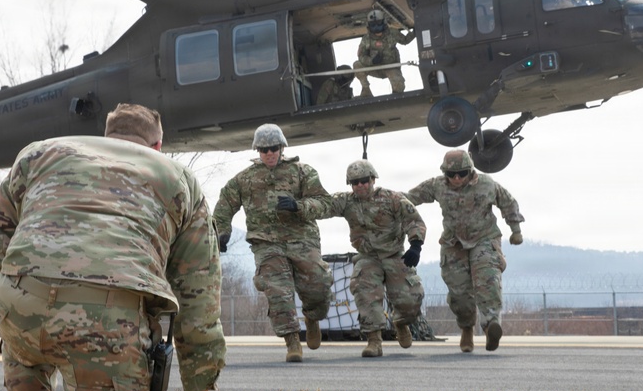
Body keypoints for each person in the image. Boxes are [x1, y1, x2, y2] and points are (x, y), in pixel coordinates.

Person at [0, 103, 226, 391]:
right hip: (106, 323)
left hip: (19, 305)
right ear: (157, 145)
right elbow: (198, 303)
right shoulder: (180, 181)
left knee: (23, 313)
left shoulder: (39, 153)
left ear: (106, 136)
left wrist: (10, 300)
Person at [278, 160, 427, 358]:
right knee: (364, 290)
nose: (360, 186)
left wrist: (415, 245)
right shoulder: (347, 201)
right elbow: (324, 206)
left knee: (410, 301)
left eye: (364, 181)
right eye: (355, 182)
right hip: (368, 257)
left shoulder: (393, 199)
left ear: (373, 179)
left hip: (394, 254)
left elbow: (414, 220)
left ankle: (401, 322)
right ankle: (374, 341)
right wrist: (298, 206)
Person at [213, 123, 333, 363]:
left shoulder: (302, 172)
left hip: (302, 240)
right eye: (264, 149)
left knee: (319, 287)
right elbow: (224, 206)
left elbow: (325, 203)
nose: (269, 153)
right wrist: (221, 232)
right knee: (277, 290)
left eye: (274, 148)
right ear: (258, 150)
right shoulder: (244, 179)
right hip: (267, 244)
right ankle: (292, 342)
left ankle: (312, 317)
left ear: (282, 147)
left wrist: (299, 206)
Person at [404, 150, 524, 353]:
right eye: (451, 175)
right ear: (445, 174)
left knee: (488, 281)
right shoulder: (437, 185)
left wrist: (516, 230)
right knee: (459, 292)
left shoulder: (487, 185)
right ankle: (467, 328)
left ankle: (490, 326)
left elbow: (508, 202)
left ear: (470, 171)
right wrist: (385, 203)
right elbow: (409, 198)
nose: (457, 178)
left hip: (484, 238)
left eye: (462, 173)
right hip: (454, 243)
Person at [353, 9, 415, 97]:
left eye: (378, 23)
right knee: (357, 65)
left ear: (383, 22)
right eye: (373, 25)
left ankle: (396, 99)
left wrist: (415, 32)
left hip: (391, 67)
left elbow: (405, 40)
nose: (376, 27)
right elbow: (361, 56)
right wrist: (371, 61)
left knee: (399, 86)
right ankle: (366, 91)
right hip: (374, 67)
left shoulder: (392, 33)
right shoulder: (366, 39)